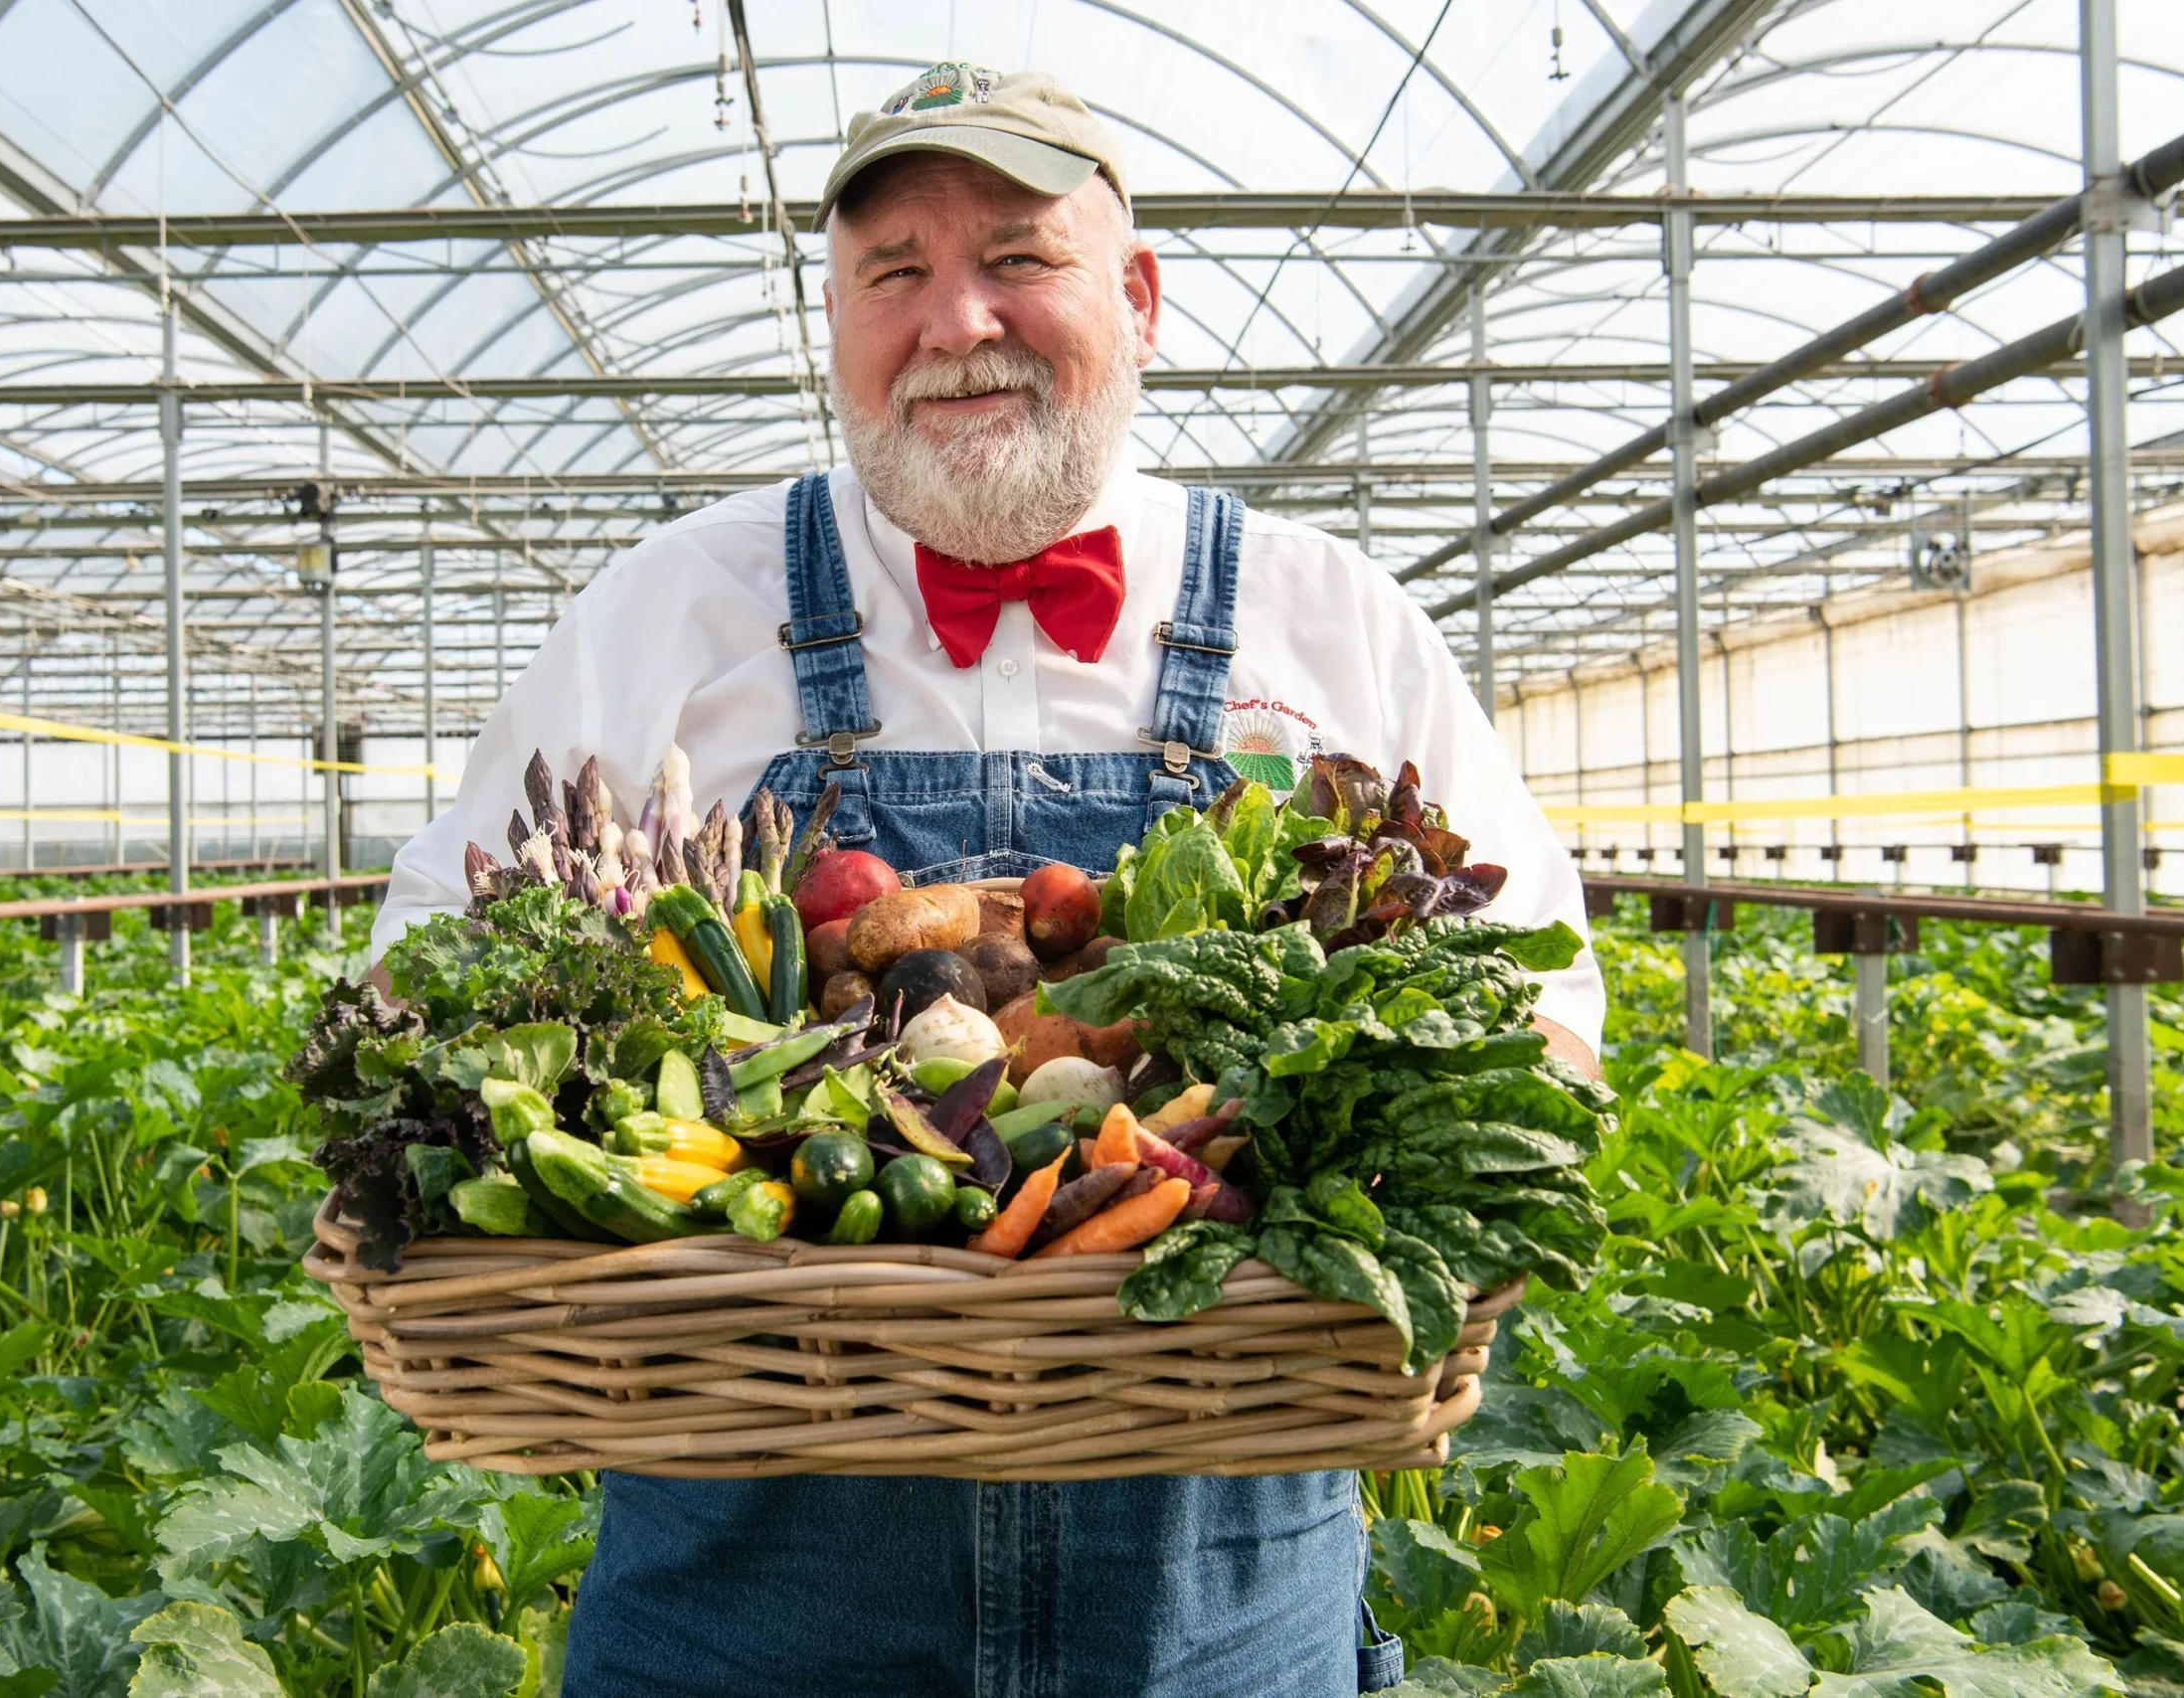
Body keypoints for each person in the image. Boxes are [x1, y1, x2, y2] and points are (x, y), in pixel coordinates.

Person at [371, 61, 1602, 1698]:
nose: (955, 321)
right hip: (745, 1614)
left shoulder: (1332, 620)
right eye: (895, 273)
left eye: (1017, 256)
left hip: (1219, 1611)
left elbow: (1544, 1021)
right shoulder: (669, 613)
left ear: (1140, 296)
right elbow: (427, 982)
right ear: (836, 326)